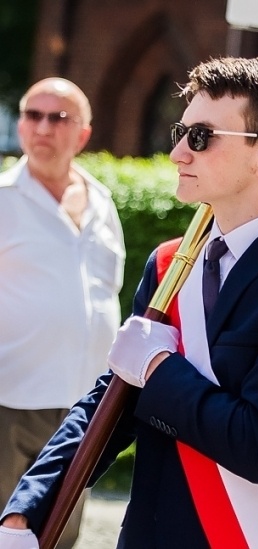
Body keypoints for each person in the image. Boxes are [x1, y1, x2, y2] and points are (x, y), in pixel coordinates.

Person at [0, 57, 258, 549]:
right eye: (180, 131)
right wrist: (29, 506)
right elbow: (113, 401)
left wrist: (158, 367)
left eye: (201, 137)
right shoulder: (171, 263)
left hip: (257, 537)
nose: (176, 154)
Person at [0, 77, 125, 549]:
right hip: (11, 401)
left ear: (84, 135)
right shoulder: (3, 199)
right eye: (33, 115)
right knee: (7, 529)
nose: (42, 128)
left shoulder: (103, 202)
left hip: (85, 405)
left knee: (61, 532)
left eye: (59, 117)